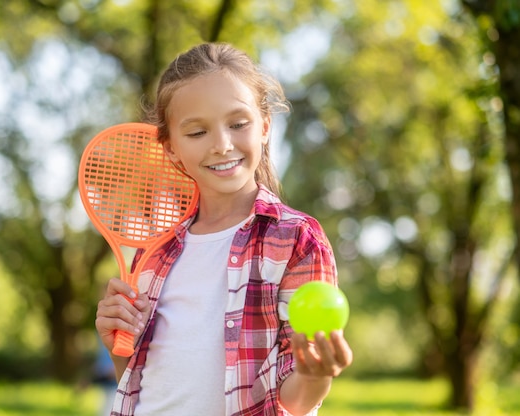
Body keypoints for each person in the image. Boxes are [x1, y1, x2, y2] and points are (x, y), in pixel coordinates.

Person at [95, 42, 353, 416]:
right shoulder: (155, 249)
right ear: (169, 149)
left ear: (264, 126)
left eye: (237, 124)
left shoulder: (295, 240)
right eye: (197, 132)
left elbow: (293, 400)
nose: (221, 145)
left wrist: (316, 376)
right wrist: (117, 344)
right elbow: (141, 384)